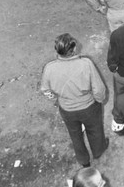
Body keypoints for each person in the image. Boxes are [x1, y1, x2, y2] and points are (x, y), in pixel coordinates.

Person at [40, 34, 108, 167]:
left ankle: (84, 161)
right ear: (74, 48)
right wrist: (100, 100)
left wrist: (56, 99)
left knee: (75, 135)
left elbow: (45, 89)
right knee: (95, 130)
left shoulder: (49, 68)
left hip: (67, 109)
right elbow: (99, 89)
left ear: (57, 50)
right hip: (89, 107)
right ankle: (98, 151)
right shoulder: (86, 64)